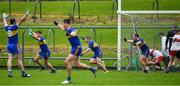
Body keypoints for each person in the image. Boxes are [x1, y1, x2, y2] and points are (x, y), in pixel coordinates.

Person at [54, 19, 96, 84]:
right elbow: (62, 28)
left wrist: (70, 33)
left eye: (64, 23)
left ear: (68, 24)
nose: (63, 25)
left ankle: (68, 79)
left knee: (67, 61)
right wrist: (57, 24)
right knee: (78, 64)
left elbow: (73, 34)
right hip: (75, 47)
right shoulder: (67, 28)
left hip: (77, 48)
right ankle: (92, 69)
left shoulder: (71, 29)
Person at [2, 11, 30, 77]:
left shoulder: (7, 28)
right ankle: (23, 73)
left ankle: (9, 72)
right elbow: (21, 20)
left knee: (9, 59)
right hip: (15, 45)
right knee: (19, 59)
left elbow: (5, 22)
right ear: (14, 22)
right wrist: (26, 14)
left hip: (9, 45)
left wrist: (4, 17)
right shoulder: (15, 27)